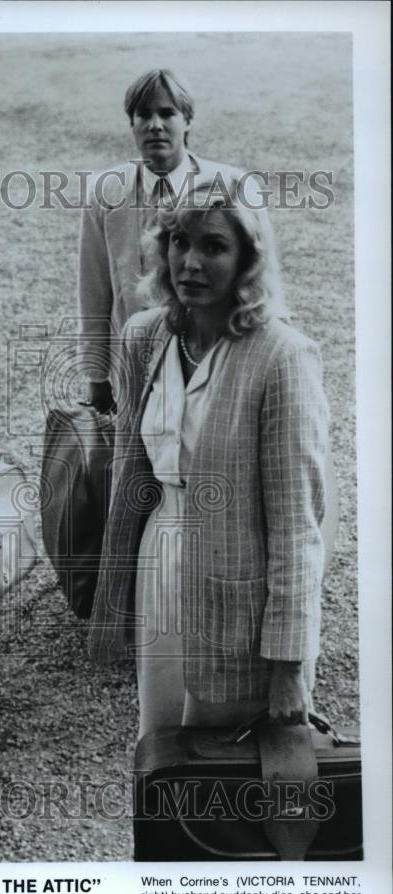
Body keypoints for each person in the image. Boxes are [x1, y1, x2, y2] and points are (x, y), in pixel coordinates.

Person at [88, 178, 330, 736]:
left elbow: (298, 527)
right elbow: (131, 473)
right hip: (160, 564)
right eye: (179, 242)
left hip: (237, 591)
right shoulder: (144, 335)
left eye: (214, 247)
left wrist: (290, 664)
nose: (190, 263)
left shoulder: (282, 357)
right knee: (164, 747)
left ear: (248, 260)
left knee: (231, 761)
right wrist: (114, 601)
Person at [79, 68, 261, 415]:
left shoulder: (233, 186)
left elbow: (258, 284)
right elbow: (94, 290)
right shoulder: (107, 192)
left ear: (187, 120)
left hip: (213, 364)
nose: (155, 125)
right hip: (135, 372)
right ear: (131, 123)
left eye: (167, 113)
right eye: (143, 115)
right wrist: (97, 376)